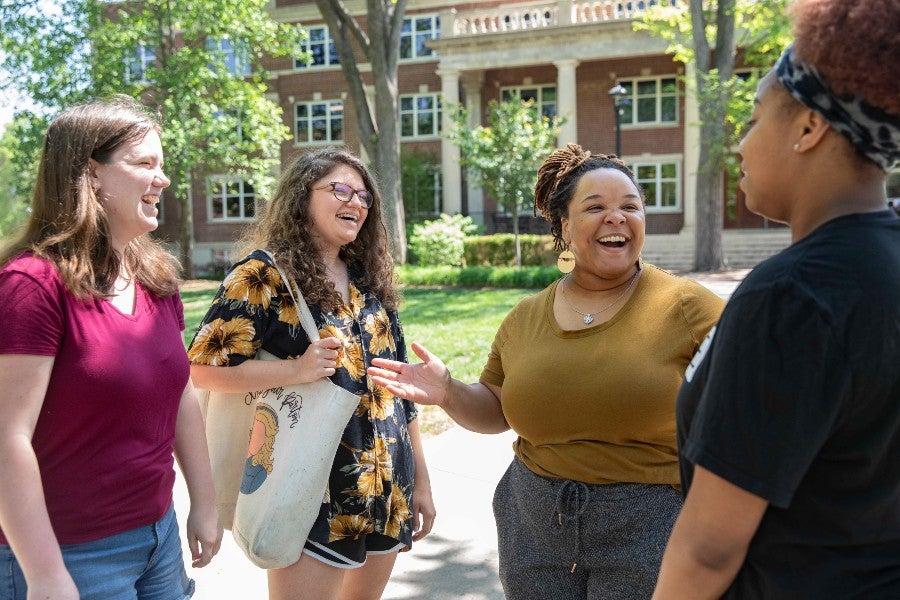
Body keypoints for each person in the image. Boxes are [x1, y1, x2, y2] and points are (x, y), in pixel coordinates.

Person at [368, 144, 724, 599]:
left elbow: (751, 408)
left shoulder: (688, 307)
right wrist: (449, 392)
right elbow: (495, 410)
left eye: (630, 206)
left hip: (650, 523)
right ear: (563, 225)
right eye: (595, 207)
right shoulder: (526, 316)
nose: (617, 217)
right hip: (534, 523)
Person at [652, 0, 900, 597]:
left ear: (809, 128)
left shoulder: (792, 297)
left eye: (755, 118)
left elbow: (709, 548)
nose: (740, 144)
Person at [187, 147, 435, 600]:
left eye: (364, 196)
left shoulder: (366, 277)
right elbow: (202, 370)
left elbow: (396, 385)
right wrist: (296, 369)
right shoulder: (262, 275)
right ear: (301, 196)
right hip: (311, 487)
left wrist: (420, 478)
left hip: (385, 483)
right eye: (340, 189)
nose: (356, 203)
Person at [0, 96, 222, 599]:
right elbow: (5, 439)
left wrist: (204, 503)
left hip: (157, 538)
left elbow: (181, 394)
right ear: (91, 174)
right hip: (70, 555)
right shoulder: (30, 285)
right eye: (145, 164)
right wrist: (45, 574)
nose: (162, 180)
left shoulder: (154, 277)